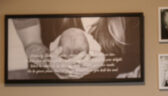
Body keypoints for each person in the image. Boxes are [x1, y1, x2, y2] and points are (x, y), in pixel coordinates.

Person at [12, 16, 141, 79]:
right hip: (48, 92)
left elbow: (138, 60)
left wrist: (104, 62)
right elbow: (31, 44)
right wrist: (49, 61)